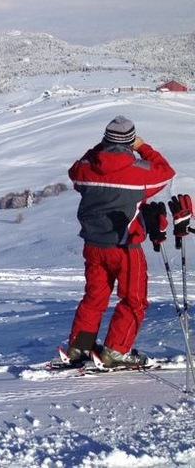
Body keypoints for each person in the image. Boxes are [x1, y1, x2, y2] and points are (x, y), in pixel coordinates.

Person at [65, 115, 175, 368]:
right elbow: (166, 172)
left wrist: (99, 148)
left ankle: (79, 347)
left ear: (105, 139)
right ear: (129, 142)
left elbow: (74, 170)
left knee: (94, 297)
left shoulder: (86, 170)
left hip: (93, 245)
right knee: (134, 300)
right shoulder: (139, 174)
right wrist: (143, 147)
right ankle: (115, 351)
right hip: (126, 247)